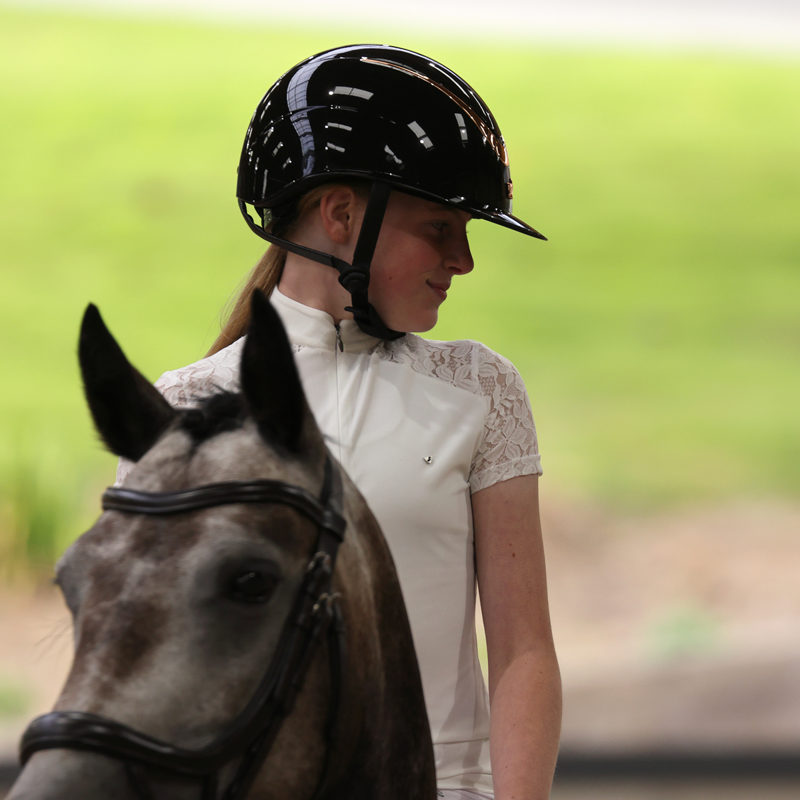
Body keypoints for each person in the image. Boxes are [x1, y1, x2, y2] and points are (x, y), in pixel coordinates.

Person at [118, 44, 561, 800]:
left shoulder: (482, 388)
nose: (464, 260)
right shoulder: (185, 412)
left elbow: (524, 653)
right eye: (439, 228)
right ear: (342, 215)